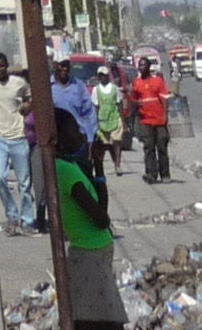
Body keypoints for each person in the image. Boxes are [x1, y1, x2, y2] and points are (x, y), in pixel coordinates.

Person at [54, 111, 124, 328]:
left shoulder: (72, 166)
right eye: (74, 130)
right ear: (60, 137)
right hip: (88, 256)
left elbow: (101, 206)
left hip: (94, 255)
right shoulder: (64, 170)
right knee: (103, 323)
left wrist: (99, 166)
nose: (81, 135)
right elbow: (102, 219)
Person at [0, 52, 34, 234]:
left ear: (7, 66)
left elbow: (30, 98)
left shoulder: (19, 83)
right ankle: (11, 215)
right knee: (0, 177)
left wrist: (27, 106)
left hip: (18, 137)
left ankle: (27, 220)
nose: (0, 69)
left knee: (24, 183)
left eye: (3, 66)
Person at [51, 58, 99, 176]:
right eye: (62, 65)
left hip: (78, 141)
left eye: (67, 65)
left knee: (85, 175)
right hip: (57, 143)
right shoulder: (47, 86)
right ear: (55, 66)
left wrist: (90, 139)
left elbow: (88, 113)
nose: (65, 69)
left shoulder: (79, 86)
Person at [130, 57, 171, 183]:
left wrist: (165, 116)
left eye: (144, 65)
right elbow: (133, 99)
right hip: (145, 121)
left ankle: (165, 174)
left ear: (149, 67)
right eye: (140, 65)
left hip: (159, 120)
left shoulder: (157, 81)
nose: (141, 68)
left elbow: (164, 99)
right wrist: (136, 104)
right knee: (149, 148)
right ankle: (151, 174)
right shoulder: (136, 83)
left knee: (162, 147)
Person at [93, 68, 127, 175]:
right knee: (102, 145)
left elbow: (119, 104)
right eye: (101, 75)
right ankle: (100, 167)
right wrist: (96, 122)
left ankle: (117, 166)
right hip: (102, 121)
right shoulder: (96, 90)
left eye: (105, 75)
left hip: (114, 118)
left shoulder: (114, 88)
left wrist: (123, 121)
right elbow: (96, 106)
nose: (103, 77)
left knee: (116, 142)